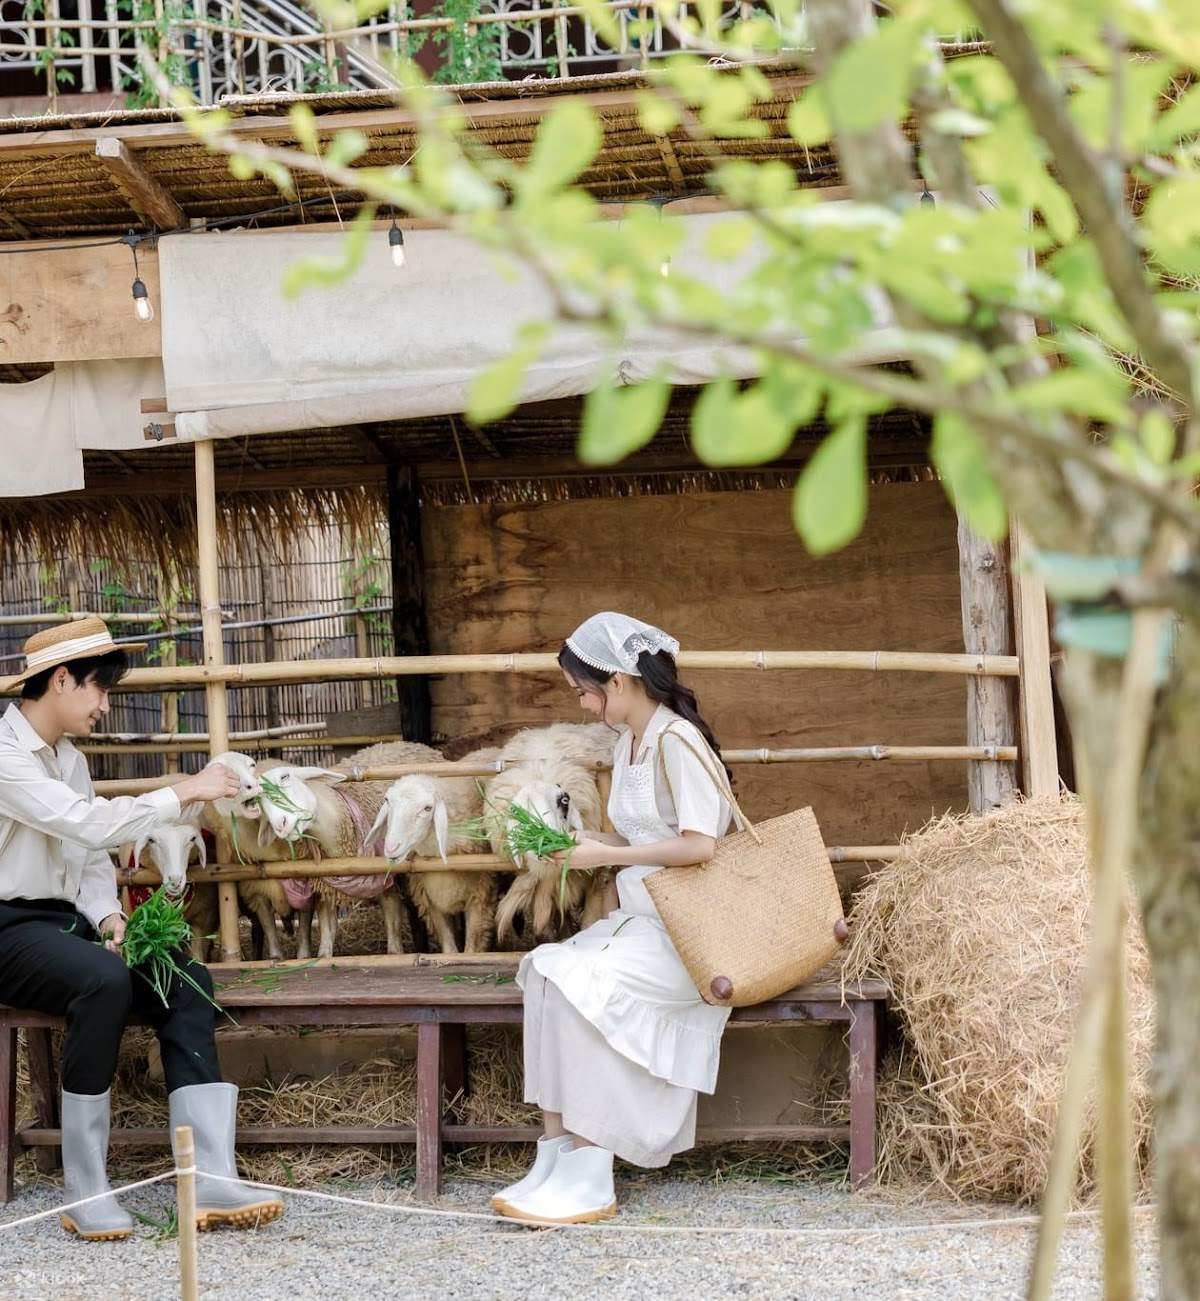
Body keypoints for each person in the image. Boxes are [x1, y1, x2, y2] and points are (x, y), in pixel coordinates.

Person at [0, 618, 285, 1240]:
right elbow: (87, 824)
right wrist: (185, 791)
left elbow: (87, 861)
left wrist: (109, 916)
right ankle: (86, 1189)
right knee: (101, 979)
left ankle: (210, 1177)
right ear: (61, 679)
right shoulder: (4, 757)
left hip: (61, 925)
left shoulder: (67, 759)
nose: (104, 705)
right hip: (6, 930)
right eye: (99, 690)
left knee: (185, 978)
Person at [493, 612, 733, 1225]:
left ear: (621, 681)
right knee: (544, 970)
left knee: (581, 985)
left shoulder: (678, 740)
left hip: (690, 935)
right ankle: (557, 1154)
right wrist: (581, 841)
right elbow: (639, 833)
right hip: (644, 922)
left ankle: (592, 1173)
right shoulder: (632, 742)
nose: (582, 702)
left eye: (584, 690)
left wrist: (610, 855)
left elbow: (700, 845)